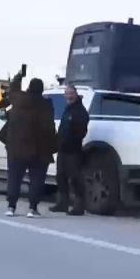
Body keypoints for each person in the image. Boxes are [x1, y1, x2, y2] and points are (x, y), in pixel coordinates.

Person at [2, 74, 56, 218]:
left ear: (29, 87)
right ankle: (32, 208)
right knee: (37, 179)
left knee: (14, 178)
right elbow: (49, 128)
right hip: (40, 149)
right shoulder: (46, 105)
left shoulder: (18, 100)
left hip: (17, 148)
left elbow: (12, 90)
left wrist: (19, 77)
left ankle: (11, 207)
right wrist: (53, 146)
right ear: (42, 90)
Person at [49, 85, 90, 216]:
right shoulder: (68, 109)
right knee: (61, 176)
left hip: (73, 150)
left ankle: (79, 206)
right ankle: (63, 203)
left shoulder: (80, 111)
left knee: (75, 178)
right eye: (67, 94)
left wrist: (72, 140)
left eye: (71, 93)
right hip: (62, 150)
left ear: (76, 94)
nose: (69, 96)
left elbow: (81, 131)